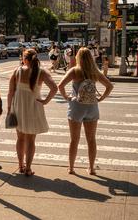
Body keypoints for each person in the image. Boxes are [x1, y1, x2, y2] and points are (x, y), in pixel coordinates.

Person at [57, 47, 114, 175]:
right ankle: (91, 168)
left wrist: (67, 97)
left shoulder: (74, 71)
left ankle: (71, 168)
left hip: (76, 107)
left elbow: (60, 86)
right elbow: (109, 86)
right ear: (90, 58)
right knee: (91, 139)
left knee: (74, 140)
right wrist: (100, 98)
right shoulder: (95, 72)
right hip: (92, 107)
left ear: (78, 57)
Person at [7, 49, 58, 176]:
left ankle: (20, 165)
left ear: (25, 59)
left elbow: (10, 93)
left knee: (20, 138)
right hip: (34, 106)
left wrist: (9, 109)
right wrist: (46, 101)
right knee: (31, 140)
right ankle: (28, 168)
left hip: (18, 106)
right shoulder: (41, 72)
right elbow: (54, 88)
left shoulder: (17, 71)